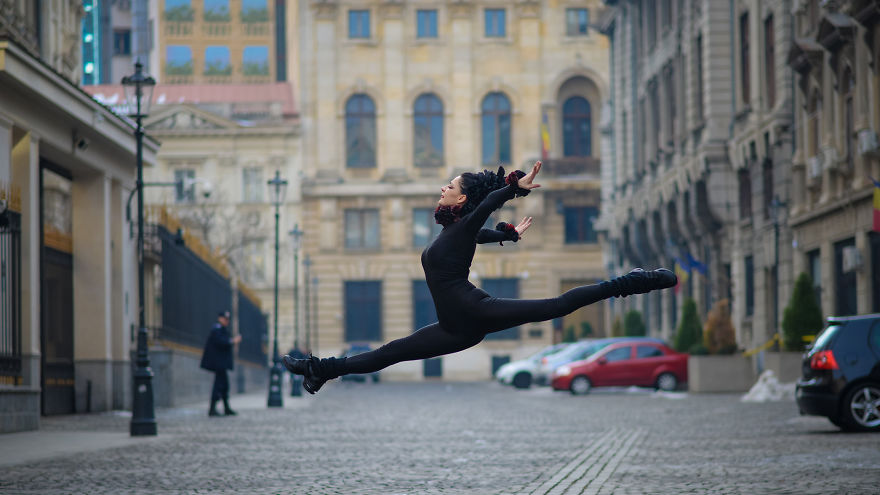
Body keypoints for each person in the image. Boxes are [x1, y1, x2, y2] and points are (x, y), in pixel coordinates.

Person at [283, 161, 677, 394]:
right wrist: (504, 234)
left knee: (556, 306)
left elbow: (485, 207)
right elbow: (473, 233)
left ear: (461, 199)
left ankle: (634, 282)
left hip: (473, 310)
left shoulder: (467, 220)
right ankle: (322, 370)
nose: (443, 188)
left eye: (450, 186)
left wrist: (511, 190)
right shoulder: (454, 231)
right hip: (456, 329)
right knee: (389, 353)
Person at [200, 311, 242, 416]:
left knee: (224, 386)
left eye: (228, 319)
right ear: (220, 318)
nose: (227, 321)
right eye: (225, 319)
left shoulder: (221, 329)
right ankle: (213, 409)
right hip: (218, 364)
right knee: (219, 386)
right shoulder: (217, 329)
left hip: (221, 365)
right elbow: (222, 342)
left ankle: (226, 408)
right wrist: (233, 341)